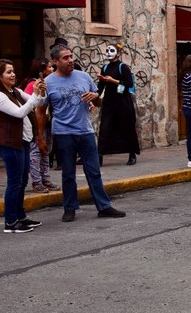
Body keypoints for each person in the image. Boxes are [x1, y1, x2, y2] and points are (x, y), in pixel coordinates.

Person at [36, 44, 125, 222]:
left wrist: (96, 97)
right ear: (55, 61)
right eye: (65, 58)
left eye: (71, 56)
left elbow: (98, 102)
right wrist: (40, 136)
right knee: (68, 173)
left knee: (94, 171)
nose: (70, 60)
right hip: (63, 133)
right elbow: (40, 110)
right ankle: (70, 208)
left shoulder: (83, 76)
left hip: (85, 131)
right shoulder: (49, 82)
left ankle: (104, 206)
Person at [0, 59, 47, 233]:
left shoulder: (16, 92)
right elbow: (20, 113)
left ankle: (21, 217)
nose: (13, 75)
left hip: (23, 142)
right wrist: (35, 95)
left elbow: (39, 103)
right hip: (9, 143)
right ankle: (10, 222)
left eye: (13, 71)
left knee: (22, 182)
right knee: (14, 183)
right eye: (8, 72)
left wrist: (40, 93)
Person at [96, 43, 140, 166]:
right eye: (107, 50)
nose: (109, 52)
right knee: (104, 128)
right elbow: (100, 87)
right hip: (109, 103)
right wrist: (94, 98)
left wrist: (113, 81)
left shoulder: (123, 67)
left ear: (118, 53)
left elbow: (129, 84)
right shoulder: (104, 68)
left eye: (112, 50)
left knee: (127, 127)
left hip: (123, 102)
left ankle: (132, 154)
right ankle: (99, 156)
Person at [23, 57, 58, 193]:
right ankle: (36, 181)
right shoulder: (33, 85)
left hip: (47, 122)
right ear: (42, 70)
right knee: (36, 151)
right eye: (49, 67)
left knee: (46, 150)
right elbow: (32, 106)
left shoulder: (47, 84)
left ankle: (46, 178)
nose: (52, 69)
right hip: (36, 124)